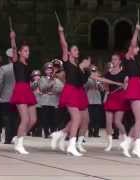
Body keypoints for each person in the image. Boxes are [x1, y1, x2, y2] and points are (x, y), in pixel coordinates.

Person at [50, 24, 123, 156]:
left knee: (83, 119)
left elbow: (98, 77)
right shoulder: (66, 61)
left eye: (78, 50)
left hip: (79, 93)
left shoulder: (79, 67)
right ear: (69, 53)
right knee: (76, 118)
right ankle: (71, 146)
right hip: (71, 91)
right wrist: (61, 32)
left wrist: (116, 82)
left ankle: (61, 134)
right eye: (75, 50)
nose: (77, 52)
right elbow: (64, 45)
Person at [119, 21, 140, 159]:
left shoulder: (135, 60)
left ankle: (127, 142)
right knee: (139, 119)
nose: (138, 49)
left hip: (139, 88)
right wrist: (136, 31)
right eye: (137, 47)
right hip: (134, 89)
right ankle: (136, 148)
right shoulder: (128, 57)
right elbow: (132, 43)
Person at [9, 30, 37, 154]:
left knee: (33, 120)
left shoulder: (28, 64)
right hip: (20, 89)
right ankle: (19, 144)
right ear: (20, 52)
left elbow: (30, 79)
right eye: (25, 51)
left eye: (28, 51)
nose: (27, 53)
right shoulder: (16, 62)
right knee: (25, 119)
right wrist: (13, 39)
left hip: (28, 90)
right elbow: (14, 49)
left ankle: (17, 137)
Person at [103, 55, 129, 152]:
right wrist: (106, 90)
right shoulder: (108, 74)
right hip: (111, 97)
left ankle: (126, 140)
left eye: (115, 59)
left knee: (117, 122)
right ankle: (109, 143)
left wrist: (125, 85)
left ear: (119, 61)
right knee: (108, 122)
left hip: (120, 98)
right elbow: (106, 87)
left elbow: (127, 87)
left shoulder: (124, 73)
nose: (113, 61)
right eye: (112, 59)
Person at [39, 62, 64, 138]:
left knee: (53, 119)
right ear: (44, 71)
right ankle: (46, 133)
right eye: (47, 69)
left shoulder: (57, 79)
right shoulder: (42, 78)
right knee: (45, 118)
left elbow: (61, 88)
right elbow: (42, 87)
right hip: (45, 102)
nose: (49, 71)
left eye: (50, 69)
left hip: (54, 101)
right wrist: (51, 83)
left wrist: (53, 91)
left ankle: (53, 132)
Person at [0, 49, 18, 144]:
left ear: (8, 58)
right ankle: (15, 136)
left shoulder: (4, 68)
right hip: (17, 95)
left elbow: (0, 82)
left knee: (7, 117)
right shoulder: (20, 67)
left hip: (6, 96)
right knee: (16, 117)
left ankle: (8, 138)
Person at [86, 65, 104, 138]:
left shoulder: (99, 79)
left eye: (95, 71)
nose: (93, 72)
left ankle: (96, 133)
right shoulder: (87, 79)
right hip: (89, 99)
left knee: (97, 117)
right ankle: (90, 132)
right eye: (92, 71)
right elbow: (86, 86)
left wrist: (99, 83)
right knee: (90, 117)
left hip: (97, 100)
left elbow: (102, 89)